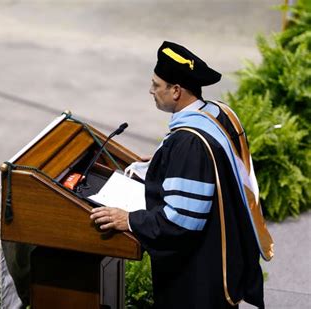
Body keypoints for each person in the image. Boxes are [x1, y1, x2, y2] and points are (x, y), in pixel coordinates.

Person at [90, 41, 273, 309]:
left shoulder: (189, 143)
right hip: (226, 246)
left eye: (156, 85)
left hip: (199, 276)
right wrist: (164, 160)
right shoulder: (218, 112)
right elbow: (217, 163)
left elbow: (181, 223)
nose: (151, 91)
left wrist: (129, 220)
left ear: (176, 91)